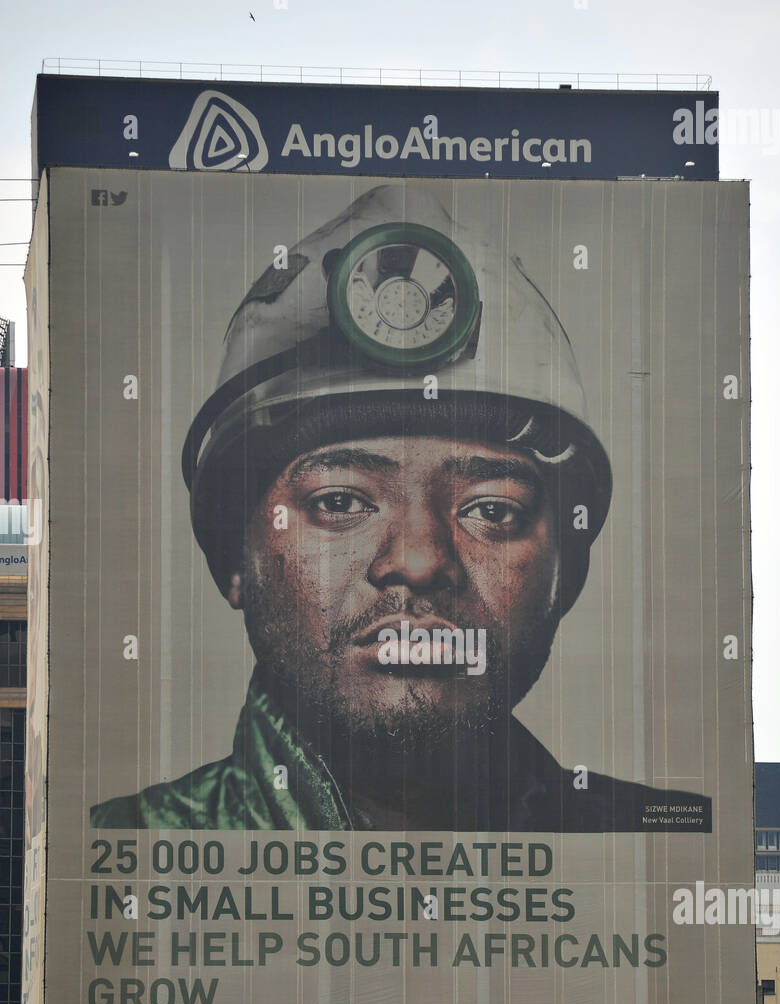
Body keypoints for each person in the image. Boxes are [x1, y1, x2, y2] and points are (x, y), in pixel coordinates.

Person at [91, 184, 710, 833]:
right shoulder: (123, 845)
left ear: (566, 572)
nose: (417, 562)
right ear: (233, 559)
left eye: (491, 511)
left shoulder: (661, 848)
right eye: (339, 501)